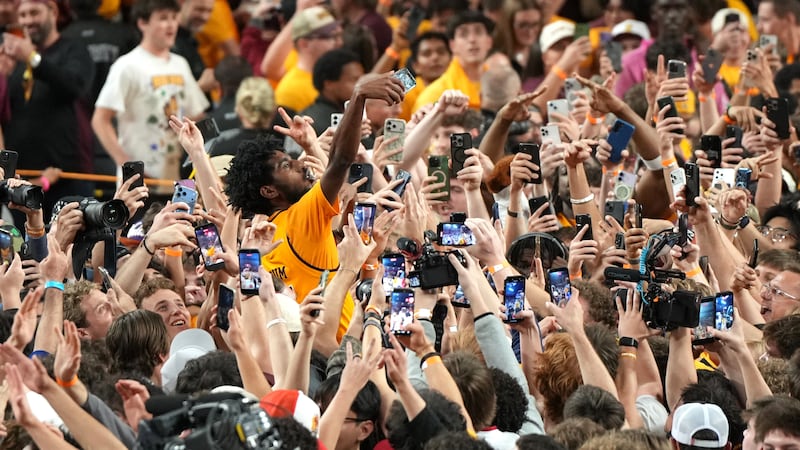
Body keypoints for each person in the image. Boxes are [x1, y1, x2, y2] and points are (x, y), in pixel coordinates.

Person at [224, 72, 405, 338]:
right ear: (269, 190)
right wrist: (358, 97)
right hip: (339, 353)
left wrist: (311, 144)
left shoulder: (261, 237)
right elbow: (341, 161)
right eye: (287, 166)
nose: (300, 164)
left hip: (297, 354)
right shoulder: (302, 216)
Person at [92, 0, 209, 187]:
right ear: (142, 23)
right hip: (140, 182)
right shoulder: (127, 65)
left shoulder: (180, 63)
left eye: (173, 17)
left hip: (178, 178)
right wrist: (128, 166)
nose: (171, 24)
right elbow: (100, 120)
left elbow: (196, 115)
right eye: (163, 18)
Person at [0, 0, 96, 218]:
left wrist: (32, 59)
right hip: (24, 180)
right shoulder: (13, 60)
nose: (28, 20)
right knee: (28, 248)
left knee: (74, 248)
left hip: (68, 176)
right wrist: (2, 76)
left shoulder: (74, 49)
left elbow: (74, 86)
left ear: (53, 12)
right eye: (23, 15)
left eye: (34, 13)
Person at [413, 11, 493, 113]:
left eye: (478, 32)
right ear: (452, 45)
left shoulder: (502, 84)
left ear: (489, 41)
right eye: (464, 34)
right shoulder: (434, 95)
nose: (472, 39)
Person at [274, 6, 344, 114]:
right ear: (304, 43)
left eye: (338, 35)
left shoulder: (336, 74)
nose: (339, 42)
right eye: (330, 36)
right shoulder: (291, 91)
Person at [301, 48, 364, 135]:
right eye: (354, 80)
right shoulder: (314, 123)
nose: (361, 85)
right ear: (328, 84)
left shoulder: (352, 113)